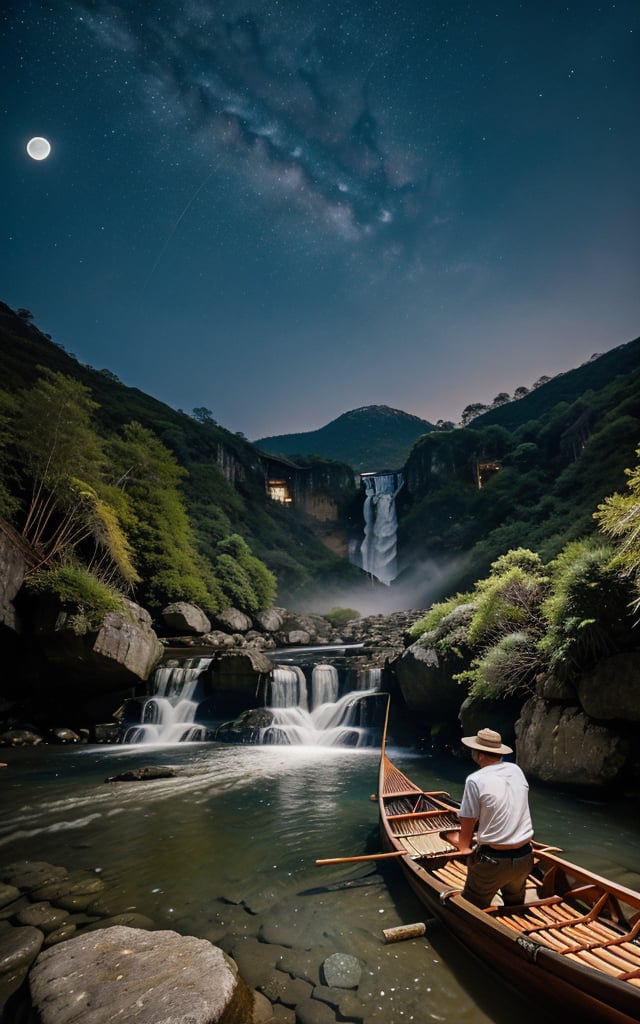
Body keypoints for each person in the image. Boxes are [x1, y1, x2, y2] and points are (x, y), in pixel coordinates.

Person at [450, 727, 534, 909]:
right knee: (514, 902)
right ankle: (515, 914)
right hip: (525, 857)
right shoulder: (516, 770)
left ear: (479, 755)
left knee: (470, 908)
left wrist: (464, 848)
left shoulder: (475, 779)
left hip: (494, 862)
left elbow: (468, 818)